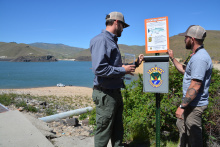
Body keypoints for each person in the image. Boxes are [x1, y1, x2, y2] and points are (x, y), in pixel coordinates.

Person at [90, 12, 143, 147]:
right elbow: (99, 69)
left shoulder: (111, 41)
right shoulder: (101, 40)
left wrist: (135, 64)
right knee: (103, 132)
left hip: (114, 92)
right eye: (123, 26)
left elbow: (115, 67)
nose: (123, 29)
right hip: (106, 94)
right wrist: (122, 70)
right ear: (116, 23)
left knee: (117, 130)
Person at [168, 25, 213, 147]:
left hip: (194, 105)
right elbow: (185, 71)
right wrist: (172, 58)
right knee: (182, 129)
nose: (184, 40)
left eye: (186, 37)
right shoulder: (196, 55)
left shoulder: (200, 58)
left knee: (194, 139)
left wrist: (182, 106)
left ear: (192, 39)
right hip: (190, 103)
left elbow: (196, 85)